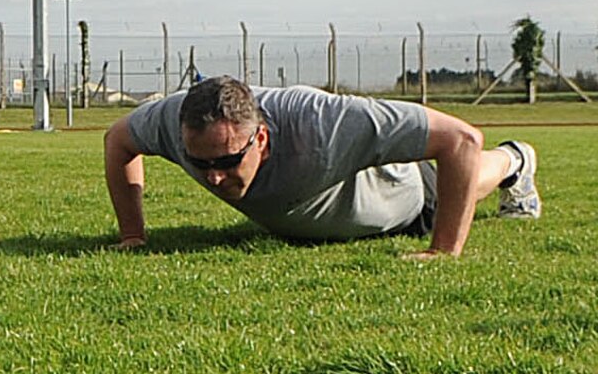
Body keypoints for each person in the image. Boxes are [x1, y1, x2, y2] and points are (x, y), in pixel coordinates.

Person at [103, 76, 539, 258]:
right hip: (330, 209)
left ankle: (516, 160)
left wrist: (442, 253)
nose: (213, 177)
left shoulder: (324, 120)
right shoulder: (174, 119)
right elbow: (117, 141)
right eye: (200, 164)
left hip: (406, 196)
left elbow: (460, 139)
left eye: (227, 162)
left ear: (261, 139)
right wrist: (133, 235)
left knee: (462, 180)